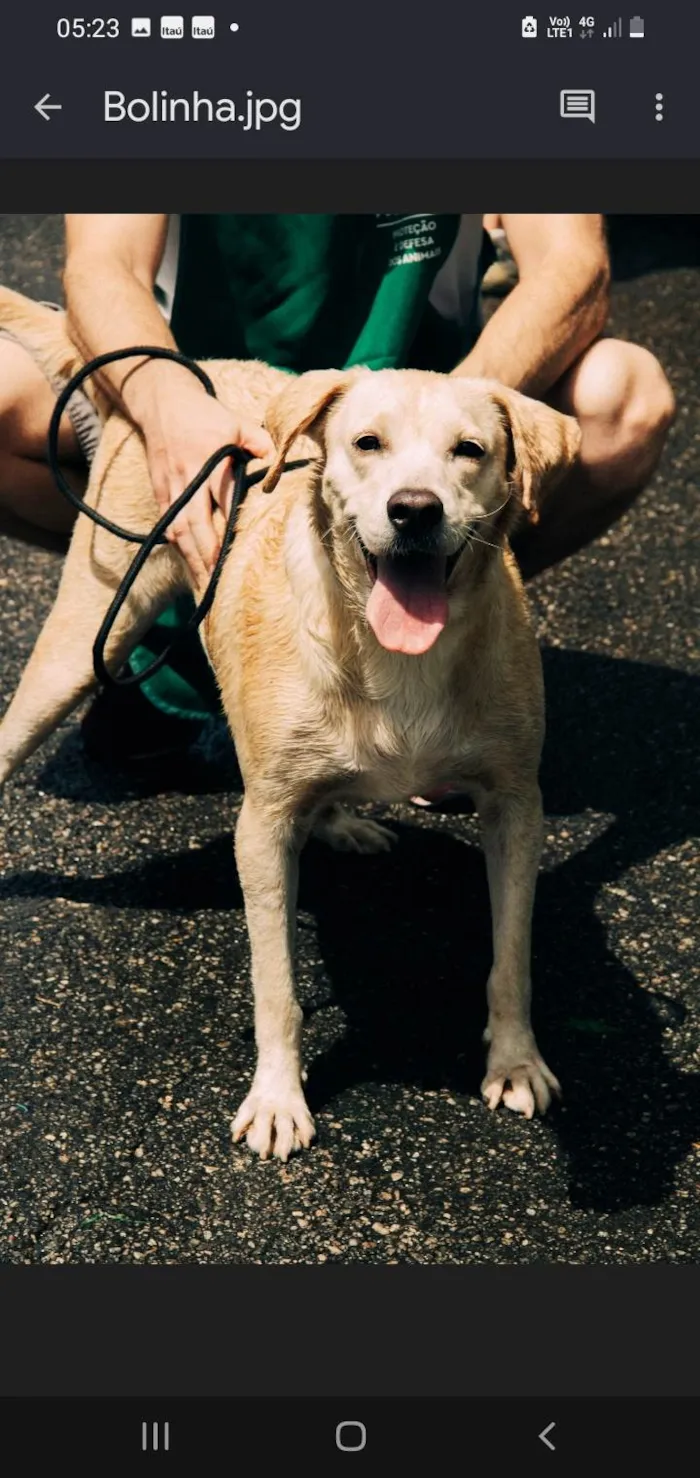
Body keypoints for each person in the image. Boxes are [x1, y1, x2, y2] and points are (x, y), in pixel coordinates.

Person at [0, 213, 676, 762]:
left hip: (414, 404)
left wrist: (441, 421)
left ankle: (435, 669)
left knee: (624, 394)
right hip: (201, 390)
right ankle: (159, 607)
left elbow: (573, 267)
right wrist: (167, 402)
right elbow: (102, 265)